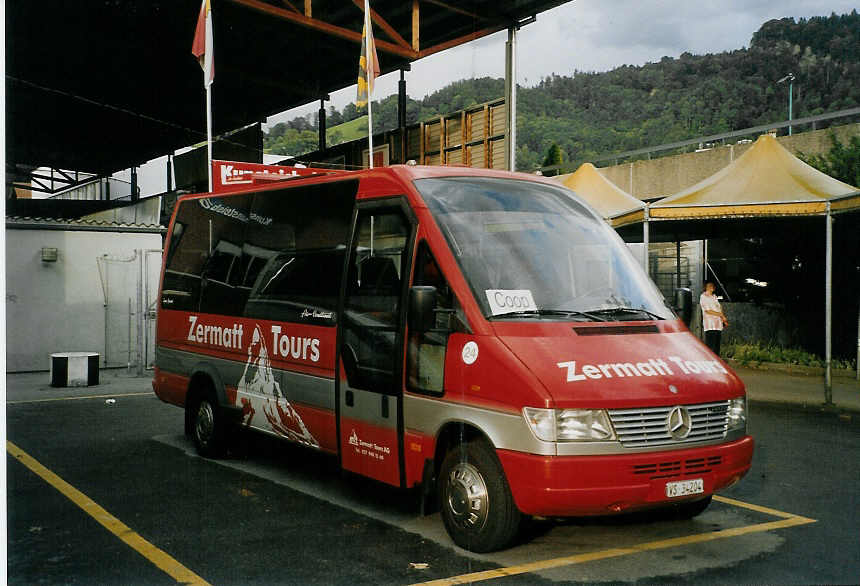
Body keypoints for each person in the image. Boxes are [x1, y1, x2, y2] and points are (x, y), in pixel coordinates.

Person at [700, 281, 728, 356]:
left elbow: (719, 307)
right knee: (710, 345)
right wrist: (721, 315)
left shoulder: (714, 296)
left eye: (712, 285)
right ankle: (709, 361)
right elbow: (707, 310)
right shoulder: (703, 296)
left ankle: (717, 360)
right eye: (709, 285)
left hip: (718, 324)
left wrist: (722, 318)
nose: (711, 287)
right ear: (705, 287)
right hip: (710, 324)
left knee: (717, 346)